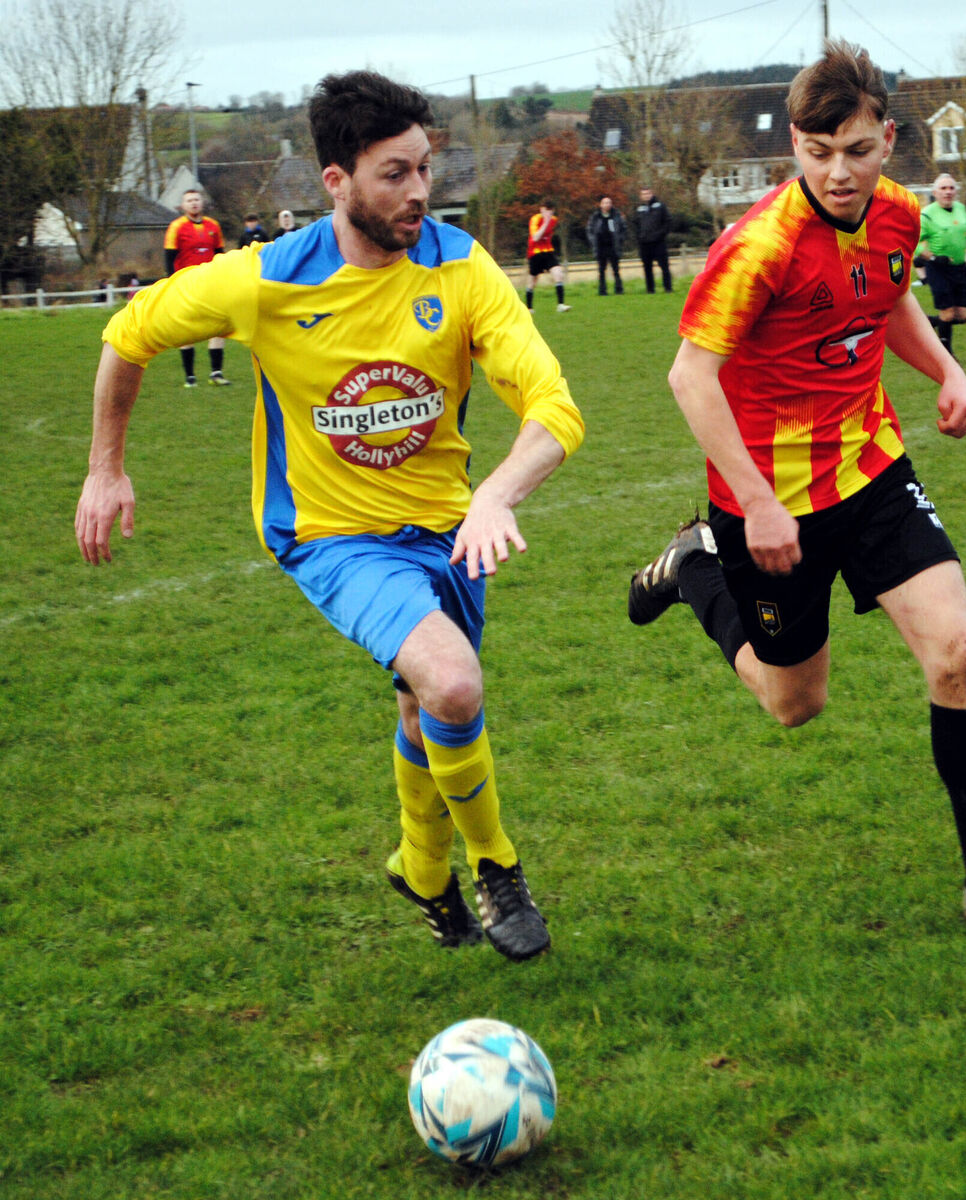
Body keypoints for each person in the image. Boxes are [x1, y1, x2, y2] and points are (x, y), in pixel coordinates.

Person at [75, 69, 585, 962]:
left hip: (448, 526)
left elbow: (553, 406)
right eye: (395, 173)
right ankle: (495, 867)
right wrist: (104, 470)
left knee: (426, 708)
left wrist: (496, 495)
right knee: (453, 682)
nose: (420, 190)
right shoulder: (263, 281)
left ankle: (420, 867)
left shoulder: (460, 268)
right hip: (330, 536)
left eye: (425, 167)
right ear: (336, 183)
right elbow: (127, 335)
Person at [625, 40, 966, 932]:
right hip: (769, 507)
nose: (839, 173)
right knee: (796, 705)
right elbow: (690, 377)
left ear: (888, 139)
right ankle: (693, 567)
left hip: (871, 473)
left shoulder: (901, 214)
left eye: (858, 152)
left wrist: (945, 372)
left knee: (961, 653)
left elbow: (888, 297)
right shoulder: (755, 248)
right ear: (794, 141)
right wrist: (753, 501)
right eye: (818, 153)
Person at [163, 189, 231, 387]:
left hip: (211, 283)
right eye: (189, 200)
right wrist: (172, 283)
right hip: (186, 285)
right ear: (183, 206)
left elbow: (220, 254)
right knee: (188, 328)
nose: (193, 203)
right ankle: (190, 376)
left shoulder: (213, 226)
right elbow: (169, 258)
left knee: (220, 325)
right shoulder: (176, 227)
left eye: (196, 199)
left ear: (202, 203)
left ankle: (216, 373)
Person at [917, 173, 966, 356]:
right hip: (938, 268)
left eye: (951, 188)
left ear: (956, 192)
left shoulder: (960, 209)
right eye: (943, 188)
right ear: (935, 192)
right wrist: (934, 258)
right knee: (948, 313)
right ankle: (946, 354)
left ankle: (931, 322)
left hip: (959, 267)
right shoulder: (927, 214)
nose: (948, 192)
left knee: (964, 315)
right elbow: (915, 243)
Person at [525, 201, 570, 313]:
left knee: (558, 274)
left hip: (548, 251)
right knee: (532, 281)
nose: (549, 213)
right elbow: (535, 237)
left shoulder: (554, 220)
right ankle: (529, 308)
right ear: (541, 209)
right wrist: (545, 222)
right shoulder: (535, 219)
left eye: (551, 210)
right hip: (535, 253)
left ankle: (560, 305)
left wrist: (549, 221)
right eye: (546, 210)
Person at [634, 186, 672, 294]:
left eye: (648, 193)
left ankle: (668, 288)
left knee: (664, 266)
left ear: (652, 194)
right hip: (644, 243)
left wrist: (660, 234)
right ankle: (650, 289)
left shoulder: (660, 206)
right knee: (647, 267)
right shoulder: (638, 209)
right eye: (644, 194)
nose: (646, 196)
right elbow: (635, 224)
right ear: (641, 196)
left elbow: (668, 222)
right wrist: (639, 236)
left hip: (658, 242)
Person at [586, 195, 627, 296]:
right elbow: (589, 230)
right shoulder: (595, 217)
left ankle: (619, 289)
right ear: (600, 205)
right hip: (601, 247)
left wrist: (620, 239)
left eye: (609, 203)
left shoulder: (616, 215)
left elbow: (623, 229)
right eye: (604, 203)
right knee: (601, 270)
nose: (607, 205)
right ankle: (602, 291)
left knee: (616, 270)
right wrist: (593, 241)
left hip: (613, 246)